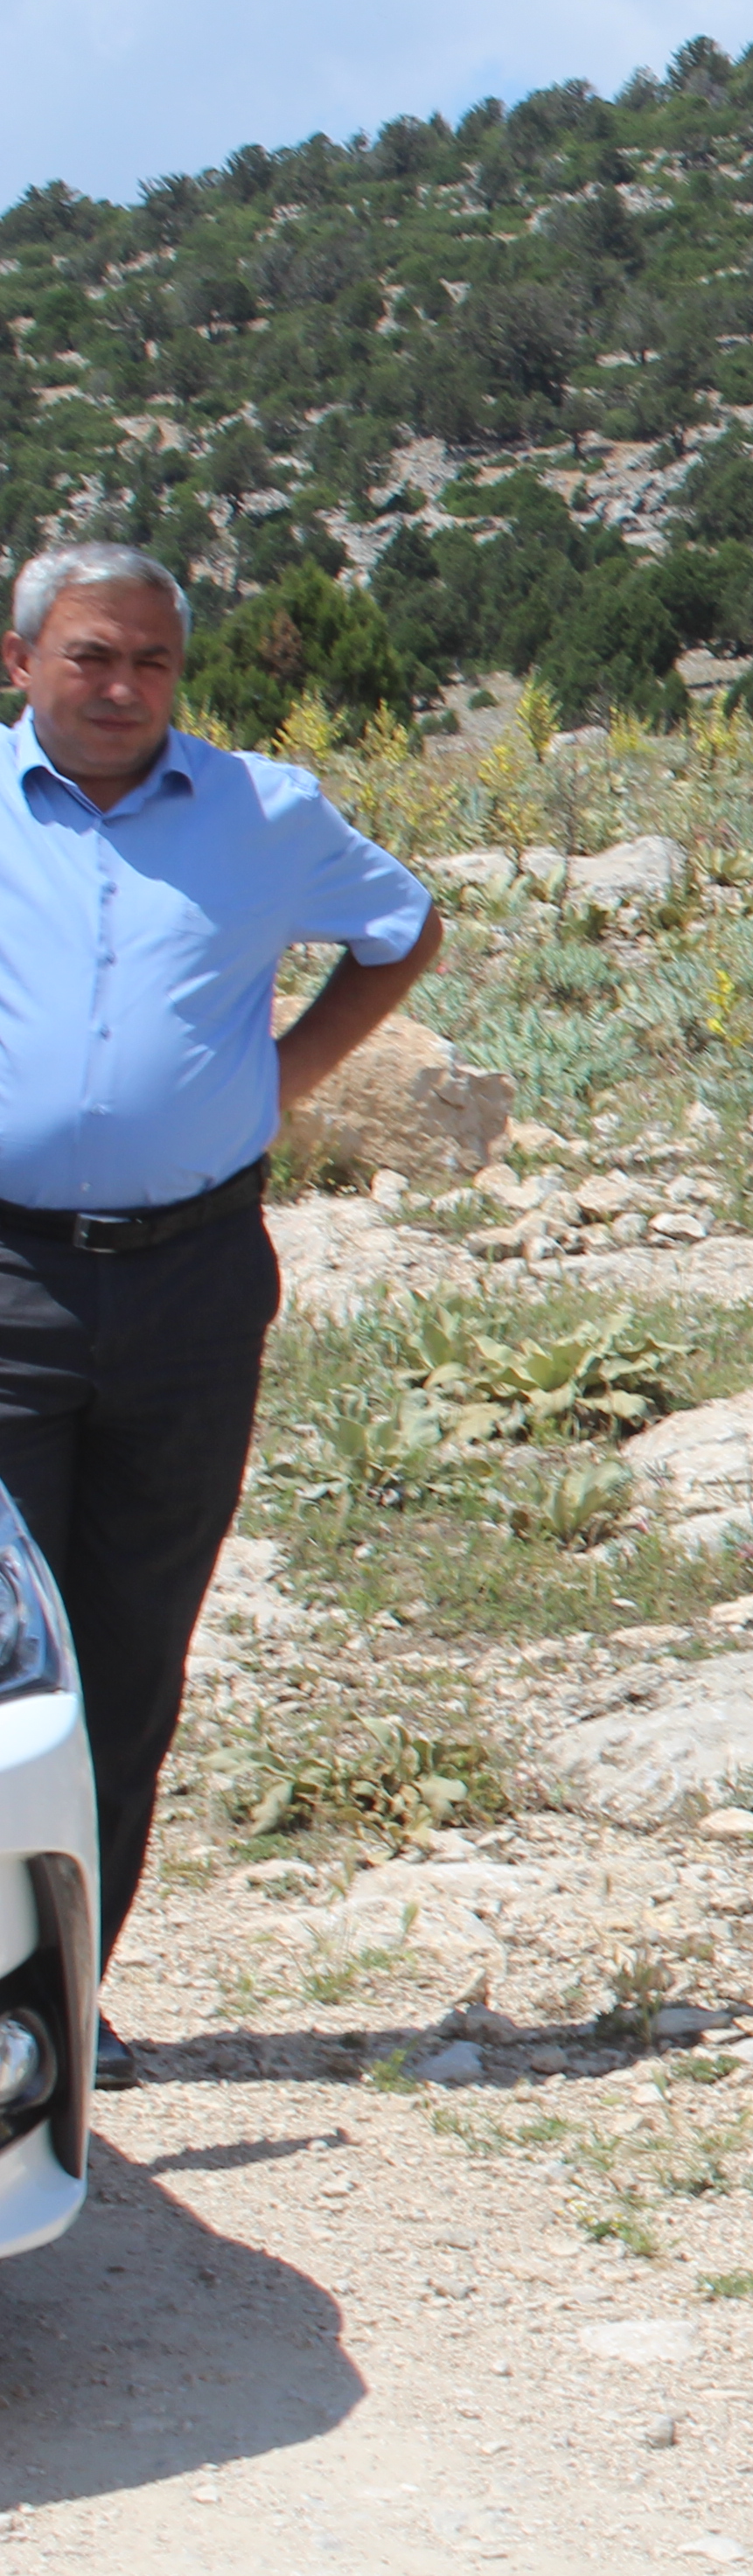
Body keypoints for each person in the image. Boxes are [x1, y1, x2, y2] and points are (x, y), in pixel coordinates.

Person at [0, 543, 439, 2092]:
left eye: (151, 664)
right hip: (5, 1282)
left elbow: (402, 928)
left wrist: (286, 1082)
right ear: (21, 661)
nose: (121, 689)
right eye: (89, 658)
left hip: (191, 1283)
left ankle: (62, 1995)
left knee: (127, 1647)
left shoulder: (264, 811)